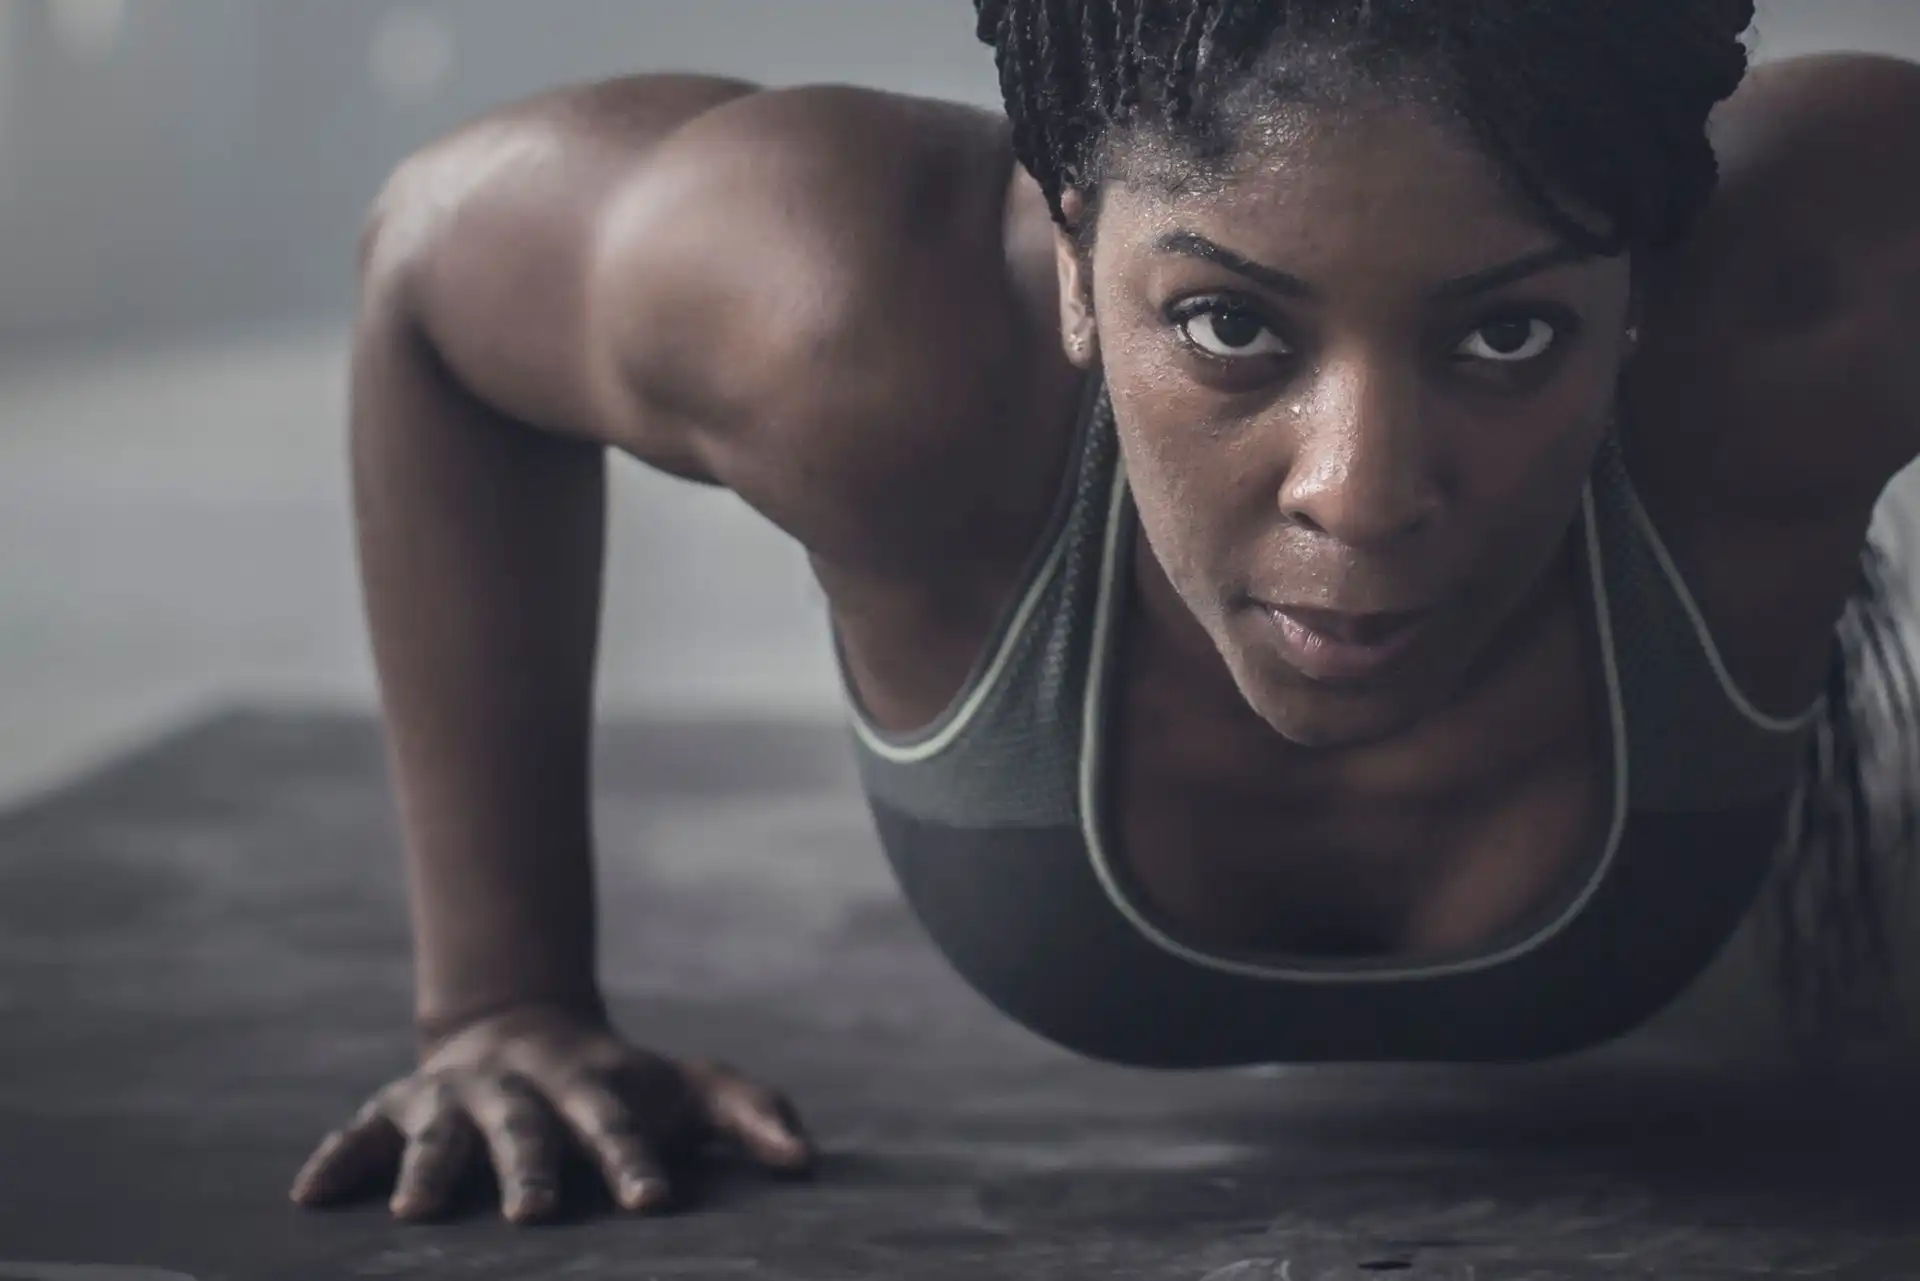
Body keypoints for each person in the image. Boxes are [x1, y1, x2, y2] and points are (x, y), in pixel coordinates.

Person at [288, 0, 1920, 1228]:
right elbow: (434, 269)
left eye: (1507, 339)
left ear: (1641, 285)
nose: (1357, 494)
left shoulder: (1803, 299)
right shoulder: (854, 322)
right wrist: (501, 1000)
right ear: (1072, 261)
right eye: (1225, 325)